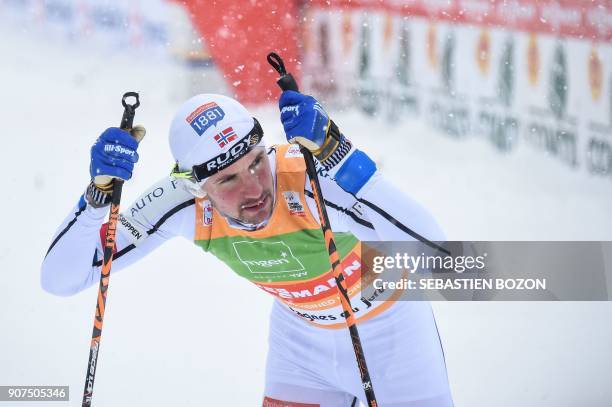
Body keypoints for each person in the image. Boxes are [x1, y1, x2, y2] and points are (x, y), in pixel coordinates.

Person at [41, 91, 454, 406]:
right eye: (228, 181)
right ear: (195, 186)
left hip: (394, 337)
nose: (255, 189)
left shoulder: (311, 179)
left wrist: (341, 158)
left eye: (257, 162)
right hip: (301, 345)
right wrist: (97, 199)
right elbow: (62, 279)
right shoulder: (181, 202)